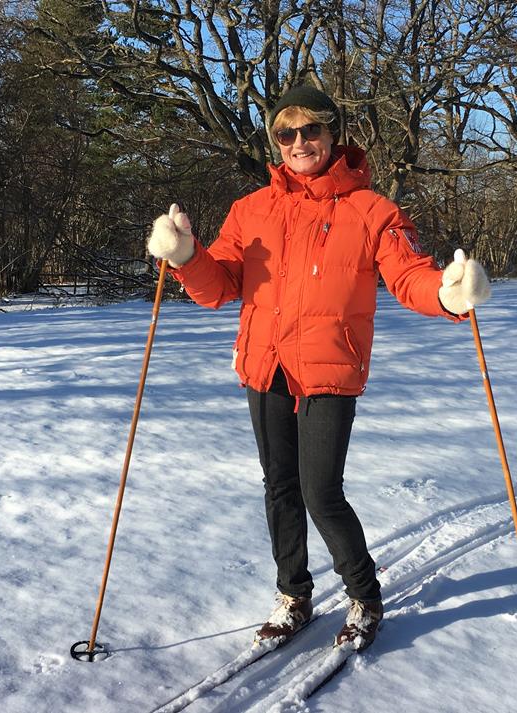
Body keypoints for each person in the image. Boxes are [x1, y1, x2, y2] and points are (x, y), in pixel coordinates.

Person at [146, 85, 490, 651]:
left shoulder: (373, 211)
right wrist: (186, 256)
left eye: (312, 130)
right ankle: (293, 594)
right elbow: (220, 285)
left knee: (320, 491)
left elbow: (408, 276)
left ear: (333, 134)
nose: (300, 142)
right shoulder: (250, 210)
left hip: (330, 365)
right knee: (280, 486)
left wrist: (447, 293)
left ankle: (364, 596)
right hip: (266, 364)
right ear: (276, 142)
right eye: (287, 133)